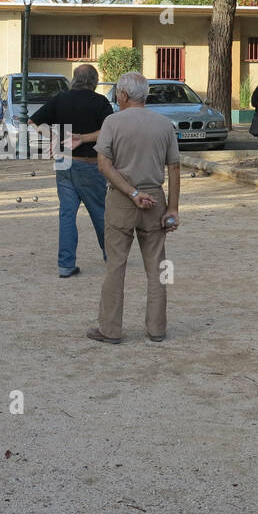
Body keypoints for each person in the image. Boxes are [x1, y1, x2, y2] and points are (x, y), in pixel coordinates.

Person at [87, 70, 180, 344]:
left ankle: (110, 329)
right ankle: (157, 328)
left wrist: (131, 192)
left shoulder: (112, 123)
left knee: (116, 265)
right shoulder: (164, 124)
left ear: (124, 95)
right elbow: (174, 167)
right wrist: (173, 207)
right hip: (155, 199)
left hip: (121, 198)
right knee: (157, 266)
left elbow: (104, 165)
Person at [28, 63, 114, 278]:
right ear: (93, 81)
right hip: (89, 164)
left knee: (67, 214)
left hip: (63, 162)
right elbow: (108, 131)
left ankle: (65, 264)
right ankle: (111, 256)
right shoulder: (100, 102)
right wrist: (83, 138)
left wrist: (55, 138)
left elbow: (33, 121)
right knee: (100, 212)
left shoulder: (60, 98)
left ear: (74, 79)